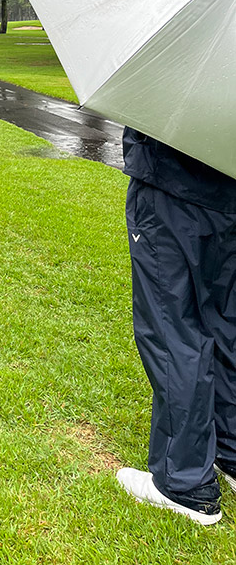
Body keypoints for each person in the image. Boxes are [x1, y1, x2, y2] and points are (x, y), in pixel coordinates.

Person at [116, 127, 236, 525]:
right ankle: (231, 453)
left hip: (172, 182)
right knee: (226, 325)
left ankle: (184, 483)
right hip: (228, 190)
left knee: (173, 330)